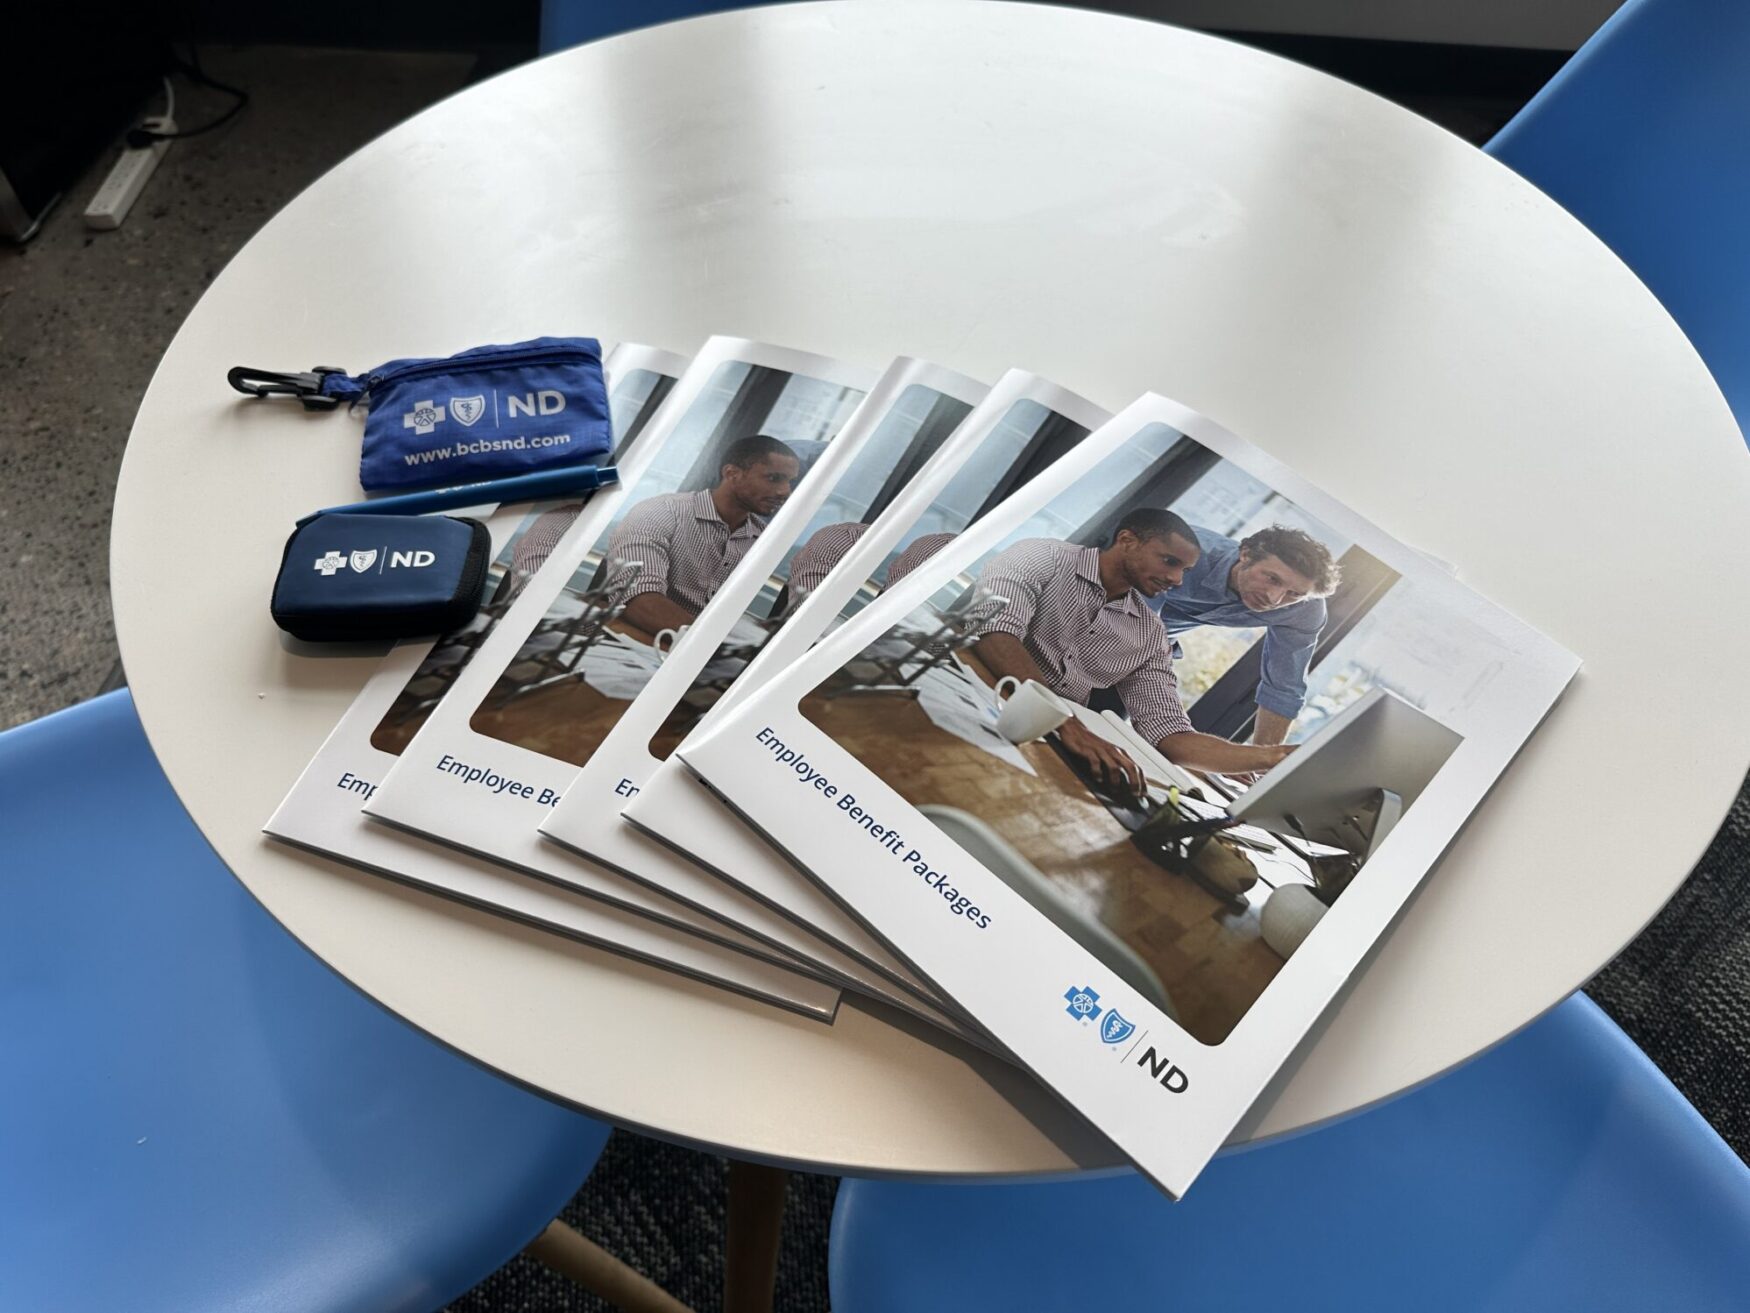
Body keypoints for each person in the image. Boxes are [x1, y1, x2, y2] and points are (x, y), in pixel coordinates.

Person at [971, 508, 1294, 791]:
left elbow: (1169, 733)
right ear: (1127, 540)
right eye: (1169, 562)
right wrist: (1065, 724)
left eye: (1185, 570)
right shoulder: (1041, 556)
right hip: (972, 696)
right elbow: (995, 631)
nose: (1177, 580)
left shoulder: (1150, 635)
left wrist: (1274, 757)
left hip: (1044, 744)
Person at [1145, 523, 1341, 746]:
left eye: (1294, 593)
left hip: (1149, 649)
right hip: (1111, 618)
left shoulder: (1302, 610)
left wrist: (1260, 761)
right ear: (1246, 554)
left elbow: (1284, 689)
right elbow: (1133, 625)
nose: (1274, 599)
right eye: (1272, 579)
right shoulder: (1182, 551)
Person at [605, 434, 801, 635]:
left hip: (701, 655)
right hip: (628, 641)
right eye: (774, 478)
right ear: (732, 473)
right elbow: (637, 600)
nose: (785, 492)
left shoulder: (763, 540)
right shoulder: (661, 512)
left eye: (789, 482)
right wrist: (722, 643)